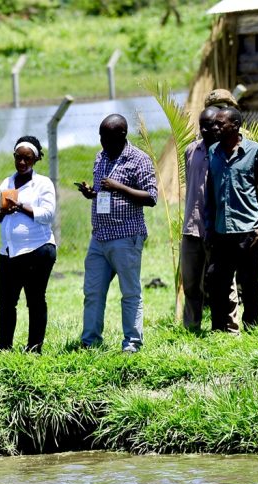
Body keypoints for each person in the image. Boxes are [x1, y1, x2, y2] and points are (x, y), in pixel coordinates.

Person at [76, 114, 158, 353]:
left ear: (122, 135)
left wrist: (119, 187)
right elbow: (104, 194)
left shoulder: (138, 160)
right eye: (100, 137)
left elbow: (151, 197)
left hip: (126, 237)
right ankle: (90, 341)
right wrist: (91, 193)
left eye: (108, 138)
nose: (102, 142)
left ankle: (132, 343)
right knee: (92, 292)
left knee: (130, 293)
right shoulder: (100, 156)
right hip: (99, 237)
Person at [206, 106, 258, 332]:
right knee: (217, 281)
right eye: (214, 123)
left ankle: (251, 328)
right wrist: (209, 227)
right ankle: (219, 330)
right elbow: (210, 194)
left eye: (220, 124)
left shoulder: (254, 152)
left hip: (248, 232)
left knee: (248, 284)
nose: (215, 127)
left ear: (235, 126)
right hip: (220, 231)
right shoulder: (213, 151)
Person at [0, 136, 57, 352]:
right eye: (18, 158)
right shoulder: (6, 183)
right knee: (6, 302)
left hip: (37, 250)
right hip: (9, 252)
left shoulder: (43, 184)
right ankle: (4, 347)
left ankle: (34, 347)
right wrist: (3, 211)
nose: (22, 163)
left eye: (27, 159)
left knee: (35, 300)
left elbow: (47, 215)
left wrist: (20, 206)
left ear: (35, 159)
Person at [181, 106, 239, 333]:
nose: (206, 130)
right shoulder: (191, 151)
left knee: (224, 283)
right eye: (202, 126)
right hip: (191, 228)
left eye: (212, 125)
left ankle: (230, 327)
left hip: (216, 230)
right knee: (191, 283)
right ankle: (191, 328)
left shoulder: (224, 154)